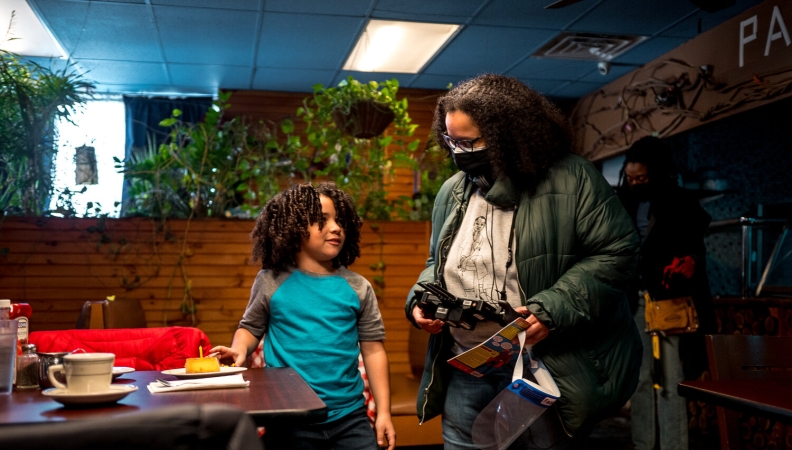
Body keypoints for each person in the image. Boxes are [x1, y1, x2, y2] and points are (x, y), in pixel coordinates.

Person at [405, 74, 643, 450]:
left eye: (469, 141)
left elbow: (617, 253)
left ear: (509, 135)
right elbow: (438, 261)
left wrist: (551, 310)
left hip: (539, 368)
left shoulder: (573, 178)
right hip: (467, 364)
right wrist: (421, 298)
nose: (458, 152)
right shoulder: (453, 190)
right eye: (450, 140)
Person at [211, 182, 396, 450]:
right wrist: (240, 350)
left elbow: (373, 350)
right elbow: (250, 327)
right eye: (322, 220)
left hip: (350, 419)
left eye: (339, 220)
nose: (336, 227)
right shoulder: (271, 282)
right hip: (289, 418)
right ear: (294, 229)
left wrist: (384, 413)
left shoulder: (358, 287)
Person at [616, 136, 714, 450]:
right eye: (630, 178)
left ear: (657, 173)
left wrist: (689, 262)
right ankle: (644, 444)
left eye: (642, 178)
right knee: (640, 379)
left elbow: (696, 249)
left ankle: (674, 446)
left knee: (669, 380)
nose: (635, 184)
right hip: (634, 302)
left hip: (668, 299)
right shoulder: (621, 201)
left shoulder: (682, 202)